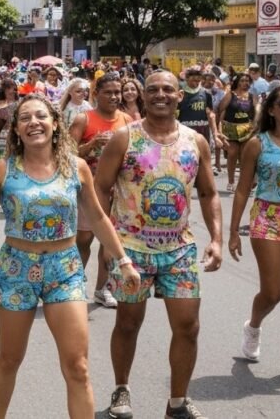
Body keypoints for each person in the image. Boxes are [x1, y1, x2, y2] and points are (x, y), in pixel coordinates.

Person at [0, 94, 139, 418]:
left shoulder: (77, 168)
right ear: (16, 130)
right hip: (16, 268)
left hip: (64, 269)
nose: (34, 123)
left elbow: (99, 218)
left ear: (55, 123)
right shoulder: (3, 171)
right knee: (9, 358)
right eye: (25, 118)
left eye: (41, 116)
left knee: (78, 366)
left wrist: (123, 261)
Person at [96, 71, 223, 419]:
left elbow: (210, 192)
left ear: (180, 96)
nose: (160, 95)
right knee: (127, 323)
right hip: (131, 249)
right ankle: (121, 389)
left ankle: (177, 402)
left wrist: (216, 238)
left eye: (168, 89)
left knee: (188, 326)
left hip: (179, 250)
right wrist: (108, 242)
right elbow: (100, 188)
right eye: (152, 89)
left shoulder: (196, 141)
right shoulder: (124, 138)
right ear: (142, 96)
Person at [228, 84, 280, 363]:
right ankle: (253, 326)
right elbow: (242, 189)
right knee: (274, 291)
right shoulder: (257, 143)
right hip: (269, 218)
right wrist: (232, 231)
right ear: (272, 110)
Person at [69, 72, 133, 308]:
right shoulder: (82, 119)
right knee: (83, 240)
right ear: (96, 95)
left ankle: (102, 289)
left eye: (118, 92)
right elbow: (66, 154)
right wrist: (91, 145)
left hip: (118, 191)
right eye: (109, 92)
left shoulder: (127, 120)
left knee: (109, 243)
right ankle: (74, 284)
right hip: (89, 191)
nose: (115, 96)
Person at [218, 72, 256, 192]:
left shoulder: (252, 96)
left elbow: (257, 112)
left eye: (247, 81)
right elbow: (221, 111)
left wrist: (256, 127)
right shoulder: (230, 95)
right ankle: (231, 181)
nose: (245, 83)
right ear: (237, 82)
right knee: (232, 153)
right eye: (242, 81)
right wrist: (219, 130)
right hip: (231, 128)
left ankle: (247, 182)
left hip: (247, 129)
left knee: (246, 157)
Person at [0, 80, 19, 161]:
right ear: (4, 90)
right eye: (9, 88)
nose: (12, 90)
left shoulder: (20, 104)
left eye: (14, 88)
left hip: (16, 140)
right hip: (2, 139)